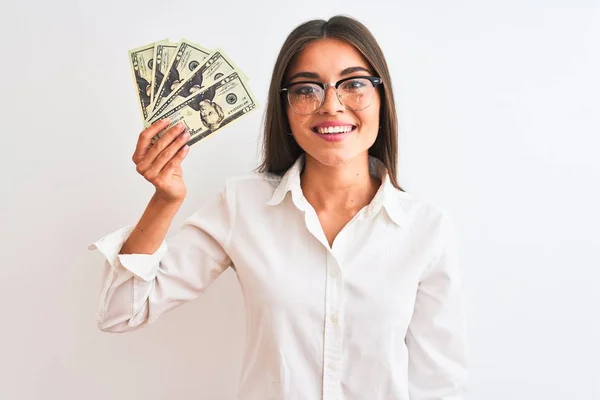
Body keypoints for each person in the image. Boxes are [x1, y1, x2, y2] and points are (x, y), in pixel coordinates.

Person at [89, 15, 470, 400]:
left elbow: (439, 383)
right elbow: (122, 312)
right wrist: (164, 200)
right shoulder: (242, 206)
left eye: (354, 84)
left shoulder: (426, 228)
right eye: (307, 90)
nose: (331, 106)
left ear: (381, 97)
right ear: (285, 107)